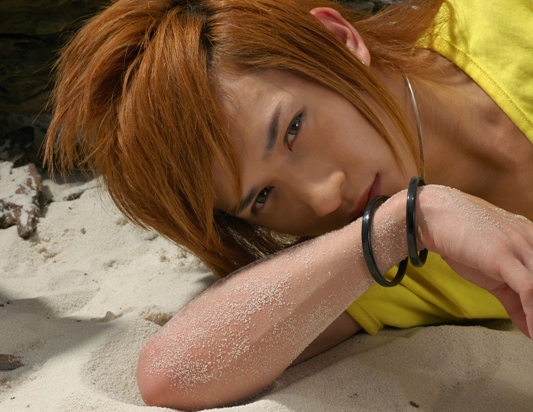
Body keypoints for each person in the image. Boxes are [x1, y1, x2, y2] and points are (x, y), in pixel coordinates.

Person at [44, 0, 533, 409]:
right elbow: (169, 375)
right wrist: (408, 222)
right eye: (261, 197)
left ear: (337, 40)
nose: (323, 198)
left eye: (293, 129)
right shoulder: (390, 262)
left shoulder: (505, 21)